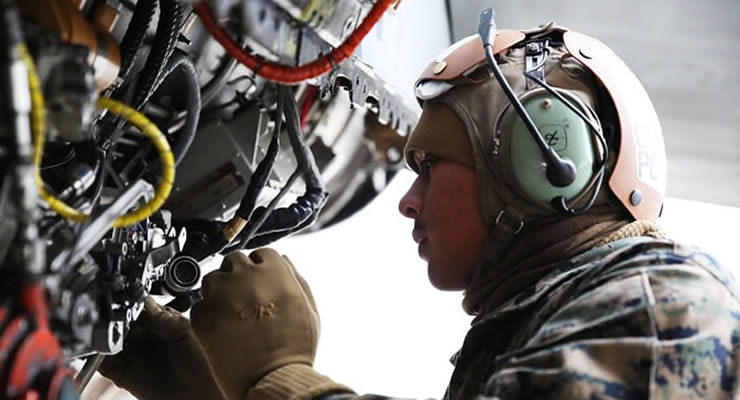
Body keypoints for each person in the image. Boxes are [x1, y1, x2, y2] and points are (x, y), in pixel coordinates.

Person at [99, 20, 740, 400]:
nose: (408, 201)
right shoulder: (587, 313)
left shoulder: (663, 315)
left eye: (430, 167)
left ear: (541, 165)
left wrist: (279, 378)